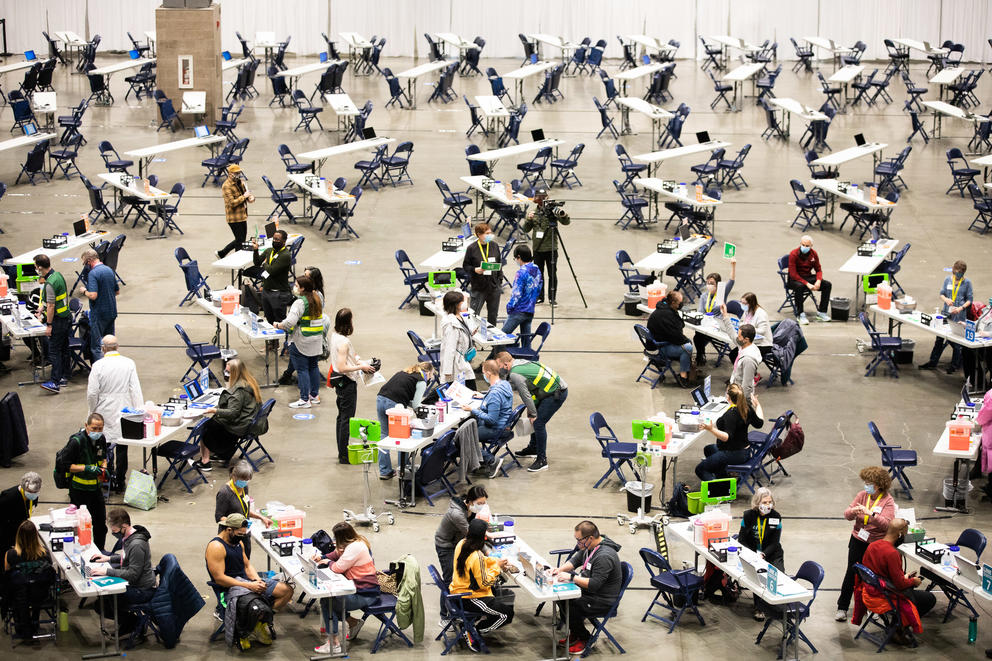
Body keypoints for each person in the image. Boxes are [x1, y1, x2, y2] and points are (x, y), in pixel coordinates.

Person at [205, 514, 293, 649]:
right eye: (240, 534)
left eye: (244, 535)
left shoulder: (238, 542)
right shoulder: (216, 547)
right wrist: (249, 586)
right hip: (229, 588)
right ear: (229, 530)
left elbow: (246, 565)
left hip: (246, 582)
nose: (242, 538)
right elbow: (220, 578)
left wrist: (257, 581)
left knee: (287, 591)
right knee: (254, 605)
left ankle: (258, 624)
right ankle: (245, 630)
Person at [551, 521, 623, 655]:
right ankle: (575, 632)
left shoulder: (604, 556)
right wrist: (559, 569)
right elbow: (576, 560)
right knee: (561, 597)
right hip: (590, 592)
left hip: (602, 599)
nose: (577, 543)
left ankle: (585, 638)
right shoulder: (590, 546)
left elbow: (594, 584)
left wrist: (571, 578)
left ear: (590, 538)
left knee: (571, 604)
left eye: (579, 540)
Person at [835, 466, 896, 622]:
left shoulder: (887, 501)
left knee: (873, 577)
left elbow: (887, 525)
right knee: (851, 573)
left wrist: (871, 514)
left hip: (875, 544)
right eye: (865, 482)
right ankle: (842, 607)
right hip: (858, 540)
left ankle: (872, 608)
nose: (866, 485)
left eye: (869, 482)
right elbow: (847, 514)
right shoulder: (862, 495)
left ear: (878, 484)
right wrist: (853, 511)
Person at [859, 518, 936, 641]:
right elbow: (900, 585)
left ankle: (897, 625)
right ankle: (898, 627)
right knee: (929, 598)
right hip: (885, 596)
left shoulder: (872, 546)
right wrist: (913, 581)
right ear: (900, 533)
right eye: (905, 532)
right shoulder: (892, 553)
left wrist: (903, 576)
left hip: (871, 590)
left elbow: (878, 572)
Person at [313, 522, 381, 655]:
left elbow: (338, 567)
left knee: (328, 602)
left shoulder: (356, 547)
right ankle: (353, 622)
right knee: (330, 600)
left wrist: (328, 562)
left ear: (342, 537)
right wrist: (322, 557)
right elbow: (336, 553)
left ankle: (333, 644)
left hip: (366, 594)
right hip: (359, 589)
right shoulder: (352, 542)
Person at [494, 351, 567, 473]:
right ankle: (534, 448)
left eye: (499, 366)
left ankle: (542, 460)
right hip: (547, 391)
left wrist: (533, 413)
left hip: (556, 394)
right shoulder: (520, 362)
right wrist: (532, 409)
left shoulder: (514, 374)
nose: (498, 369)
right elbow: (532, 388)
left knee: (538, 423)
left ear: (506, 364)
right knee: (534, 418)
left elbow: (525, 394)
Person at [87, 335, 143, 490]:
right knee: (122, 445)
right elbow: (135, 389)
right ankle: (120, 480)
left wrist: (92, 411)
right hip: (125, 408)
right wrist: (139, 412)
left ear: (103, 348)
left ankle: (107, 476)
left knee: (104, 445)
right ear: (117, 347)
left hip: (104, 409)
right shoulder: (129, 363)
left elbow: (92, 393)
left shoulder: (98, 366)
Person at [89, 508, 156, 635]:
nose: (114, 533)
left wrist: (107, 571)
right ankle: (129, 622)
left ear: (124, 526)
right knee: (102, 601)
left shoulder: (136, 544)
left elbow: (133, 574)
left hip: (142, 589)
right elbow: (128, 558)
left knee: (103, 603)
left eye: (115, 531)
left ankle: (134, 622)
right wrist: (108, 558)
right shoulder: (129, 537)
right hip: (136, 583)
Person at [449, 518, 513, 649]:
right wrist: (498, 568)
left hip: (457, 590)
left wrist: (496, 561)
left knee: (498, 596)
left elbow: (482, 561)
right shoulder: (475, 555)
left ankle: (471, 625)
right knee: (506, 614)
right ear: (482, 537)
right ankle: (474, 630)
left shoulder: (462, 543)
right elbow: (484, 582)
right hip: (469, 597)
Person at [195, 358, 262, 469]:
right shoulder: (249, 382)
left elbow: (232, 413)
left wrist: (214, 410)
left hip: (239, 426)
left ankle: (205, 461)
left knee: (206, 426)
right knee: (215, 422)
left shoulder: (238, 391)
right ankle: (224, 455)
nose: (225, 373)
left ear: (234, 373)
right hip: (247, 421)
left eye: (228, 372)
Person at [434, 486, 488, 619]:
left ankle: (461, 606)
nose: (482, 506)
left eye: (483, 503)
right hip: (445, 545)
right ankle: (445, 616)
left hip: (457, 542)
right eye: (479, 503)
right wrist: (487, 551)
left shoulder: (470, 508)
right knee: (450, 579)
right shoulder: (457, 514)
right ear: (470, 501)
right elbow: (471, 534)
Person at [329, 308, 375, 464]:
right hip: (346, 382)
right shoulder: (343, 342)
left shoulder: (335, 336)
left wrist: (359, 360)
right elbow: (342, 367)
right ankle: (343, 454)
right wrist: (361, 368)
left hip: (339, 381)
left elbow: (348, 357)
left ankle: (341, 450)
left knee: (341, 417)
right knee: (346, 419)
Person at [375, 361, 434, 479]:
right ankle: (404, 468)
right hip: (395, 405)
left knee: (384, 434)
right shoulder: (421, 380)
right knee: (402, 436)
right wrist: (427, 409)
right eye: (432, 375)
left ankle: (384, 471)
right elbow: (417, 405)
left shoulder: (404, 372)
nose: (431, 378)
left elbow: (404, 395)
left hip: (380, 398)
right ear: (427, 372)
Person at [695, 384, 763, 481]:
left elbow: (727, 437)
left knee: (700, 469)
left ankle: (720, 489)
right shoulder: (746, 407)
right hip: (745, 451)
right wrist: (757, 404)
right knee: (709, 449)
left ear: (728, 396)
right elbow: (760, 423)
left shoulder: (731, 414)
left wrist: (711, 429)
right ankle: (723, 478)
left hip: (734, 453)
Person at [275, 274, 324, 409]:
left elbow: (290, 322)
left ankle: (304, 399)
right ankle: (314, 396)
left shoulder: (299, 302)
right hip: (316, 339)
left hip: (301, 340)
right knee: (313, 367)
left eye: (296, 286)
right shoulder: (317, 298)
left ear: (303, 288)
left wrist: (279, 325)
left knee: (302, 370)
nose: (294, 288)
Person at [738, 487, 783, 621]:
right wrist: (752, 555)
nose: (767, 505)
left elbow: (775, 542)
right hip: (752, 551)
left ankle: (776, 606)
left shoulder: (776, 517)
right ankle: (759, 607)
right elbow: (742, 539)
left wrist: (763, 554)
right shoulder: (748, 516)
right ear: (757, 503)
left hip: (771, 552)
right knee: (757, 577)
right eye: (764, 502)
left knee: (778, 576)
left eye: (769, 502)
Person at [919, 259, 972, 374]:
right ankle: (932, 362)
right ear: (953, 270)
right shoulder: (948, 280)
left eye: (961, 273)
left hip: (959, 315)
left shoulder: (967, 283)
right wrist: (946, 299)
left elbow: (969, 300)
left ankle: (954, 365)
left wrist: (961, 308)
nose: (958, 275)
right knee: (939, 338)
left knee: (957, 342)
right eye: (957, 272)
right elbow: (941, 294)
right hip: (946, 313)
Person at [66, 413, 110, 551]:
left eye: (100, 429)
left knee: (100, 524)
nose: (97, 432)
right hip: (79, 491)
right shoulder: (76, 442)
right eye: (94, 428)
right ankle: (81, 551)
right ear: (86, 425)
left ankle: (100, 551)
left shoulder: (101, 439)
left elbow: (103, 457)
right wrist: (86, 468)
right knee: (80, 525)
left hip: (96, 490)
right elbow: (66, 466)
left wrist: (103, 468)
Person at [462, 360, 513, 477]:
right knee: (467, 427)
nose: (483, 374)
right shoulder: (504, 384)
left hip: (496, 428)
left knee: (463, 438)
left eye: (484, 372)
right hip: (504, 425)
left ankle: (491, 460)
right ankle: (476, 460)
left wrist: (472, 410)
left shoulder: (495, 394)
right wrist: (484, 397)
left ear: (489, 373)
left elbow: (491, 419)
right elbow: (498, 401)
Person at [214, 461, 273, 559]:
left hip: (244, 534)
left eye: (247, 480)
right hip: (231, 537)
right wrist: (238, 524)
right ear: (234, 476)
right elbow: (219, 518)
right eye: (243, 480)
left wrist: (262, 518)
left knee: (245, 562)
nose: (245, 482)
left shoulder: (244, 487)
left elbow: (244, 509)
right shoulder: (224, 493)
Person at [521, 188, 570, 305]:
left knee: (552, 274)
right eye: (540, 198)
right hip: (538, 248)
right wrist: (528, 219)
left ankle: (552, 298)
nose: (542, 200)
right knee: (538, 274)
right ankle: (539, 296)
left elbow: (566, 222)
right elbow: (525, 229)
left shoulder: (553, 211)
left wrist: (563, 215)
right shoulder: (534, 213)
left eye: (544, 197)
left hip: (551, 247)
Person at [34, 254, 71, 393]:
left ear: (40, 267)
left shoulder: (49, 283)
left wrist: (48, 325)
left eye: (35, 266)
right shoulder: (57, 276)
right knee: (64, 349)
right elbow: (53, 300)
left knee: (54, 351)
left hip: (58, 321)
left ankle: (55, 382)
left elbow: (51, 305)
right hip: (66, 317)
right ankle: (64, 376)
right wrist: (41, 308)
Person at [693, 258, 736, 366]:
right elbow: (701, 312)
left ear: (717, 285)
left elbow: (731, 281)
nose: (709, 285)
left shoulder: (722, 293)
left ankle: (700, 355)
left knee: (699, 337)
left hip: (718, 325)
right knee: (697, 336)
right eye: (707, 283)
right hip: (707, 324)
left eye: (711, 283)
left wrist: (733, 265)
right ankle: (701, 355)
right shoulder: (704, 296)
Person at [647, 290, 693, 386]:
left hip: (655, 343)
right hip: (659, 348)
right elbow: (676, 337)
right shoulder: (667, 316)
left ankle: (684, 367)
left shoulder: (663, 308)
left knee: (685, 344)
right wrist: (687, 341)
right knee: (688, 347)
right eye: (680, 302)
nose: (681, 304)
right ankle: (683, 377)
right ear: (673, 303)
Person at [81, 248, 119, 362]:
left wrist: (84, 291)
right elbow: (117, 291)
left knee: (98, 346)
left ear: (89, 261)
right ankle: (111, 369)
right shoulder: (109, 270)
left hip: (99, 314)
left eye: (85, 263)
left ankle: (101, 371)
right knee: (110, 344)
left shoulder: (93, 273)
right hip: (111, 311)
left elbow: (93, 295)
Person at [248, 229, 292, 324]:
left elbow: (271, 271)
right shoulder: (269, 251)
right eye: (274, 239)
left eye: (277, 239)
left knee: (279, 321)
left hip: (278, 293)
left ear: (284, 242)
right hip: (266, 291)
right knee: (269, 319)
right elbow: (257, 263)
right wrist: (256, 250)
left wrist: (265, 264)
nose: (275, 241)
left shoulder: (285, 255)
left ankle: (283, 338)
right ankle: (272, 339)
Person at [462, 222, 503, 326]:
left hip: (494, 287)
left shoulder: (494, 246)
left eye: (490, 232)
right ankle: (472, 338)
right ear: (479, 235)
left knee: (493, 316)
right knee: (474, 314)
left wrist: (499, 282)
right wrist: (475, 270)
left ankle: (491, 339)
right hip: (479, 287)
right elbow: (465, 266)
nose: (490, 235)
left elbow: (499, 264)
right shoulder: (472, 248)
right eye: (487, 233)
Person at [787, 235, 832, 324]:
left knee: (827, 285)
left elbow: (818, 269)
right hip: (794, 279)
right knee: (799, 287)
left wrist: (818, 280)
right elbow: (793, 274)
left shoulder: (814, 254)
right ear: (800, 244)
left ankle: (822, 312)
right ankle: (800, 314)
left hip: (807, 277)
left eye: (807, 246)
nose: (805, 247)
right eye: (803, 245)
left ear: (811, 246)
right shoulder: (793, 254)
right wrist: (807, 284)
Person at [439, 290, 477, 391]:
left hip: (462, 361)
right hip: (456, 365)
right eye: (462, 302)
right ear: (456, 304)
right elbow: (449, 348)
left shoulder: (459, 316)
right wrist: (447, 371)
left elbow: (464, 330)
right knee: (469, 390)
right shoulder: (451, 325)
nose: (464, 303)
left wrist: (470, 333)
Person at [502, 244, 542, 339]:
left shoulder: (521, 273)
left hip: (519, 310)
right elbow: (539, 287)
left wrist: (510, 306)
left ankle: (495, 354)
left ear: (519, 257)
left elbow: (517, 294)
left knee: (501, 338)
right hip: (530, 310)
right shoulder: (537, 269)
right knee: (526, 339)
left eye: (515, 258)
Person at [217, 164, 255, 258]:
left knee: (241, 239)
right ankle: (237, 259)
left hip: (242, 215)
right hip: (233, 217)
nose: (238, 174)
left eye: (239, 172)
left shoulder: (240, 182)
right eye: (236, 173)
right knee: (240, 240)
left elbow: (246, 194)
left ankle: (222, 253)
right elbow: (232, 203)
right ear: (230, 174)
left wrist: (251, 198)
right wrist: (244, 197)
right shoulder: (226, 186)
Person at [723, 292, 774, 363]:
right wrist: (740, 325)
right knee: (733, 354)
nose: (742, 305)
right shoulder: (747, 311)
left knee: (740, 356)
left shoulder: (761, 314)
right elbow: (742, 322)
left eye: (744, 303)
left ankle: (748, 371)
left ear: (751, 303)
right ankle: (745, 370)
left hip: (763, 344)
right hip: (750, 340)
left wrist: (748, 330)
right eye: (741, 302)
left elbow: (762, 331)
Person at [0, 472, 42, 554]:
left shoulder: (34, 494)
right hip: (6, 534)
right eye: (31, 492)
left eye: (36, 492)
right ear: (23, 487)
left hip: (21, 532)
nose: (33, 494)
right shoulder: (7, 498)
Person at [727, 324, 761, 402]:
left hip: (741, 399)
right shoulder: (743, 346)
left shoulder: (748, 360)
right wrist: (725, 316)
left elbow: (747, 386)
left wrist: (742, 404)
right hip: (735, 391)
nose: (737, 338)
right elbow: (732, 334)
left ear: (746, 339)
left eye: (739, 337)